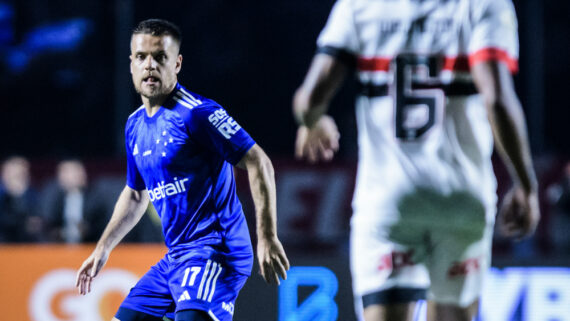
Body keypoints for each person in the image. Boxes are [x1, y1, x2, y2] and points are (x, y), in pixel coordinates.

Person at [292, 1, 539, 321]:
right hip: (461, 198)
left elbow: (310, 98)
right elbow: (498, 100)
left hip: (388, 201)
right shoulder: (483, 3)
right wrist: (525, 184)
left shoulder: (359, 5)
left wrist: (312, 121)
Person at [76, 19, 289, 321]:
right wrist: (102, 249)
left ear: (176, 64)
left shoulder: (198, 114)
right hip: (178, 257)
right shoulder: (134, 125)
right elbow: (136, 195)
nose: (149, 65)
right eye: (141, 57)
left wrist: (267, 236)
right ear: (131, 64)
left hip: (216, 250)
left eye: (159, 57)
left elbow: (258, 162)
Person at [0, 156, 44, 243]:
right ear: (4, 174)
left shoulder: (32, 194)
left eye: (21, 175)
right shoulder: (2, 194)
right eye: (13, 175)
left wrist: (20, 197)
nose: (17, 179)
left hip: (26, 243)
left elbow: (36, 222)